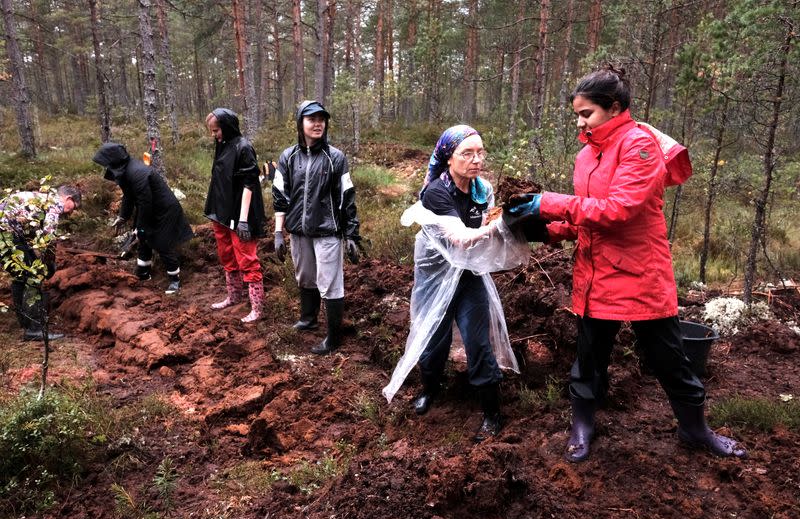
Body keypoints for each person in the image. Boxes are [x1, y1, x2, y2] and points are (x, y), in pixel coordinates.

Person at [503, 66, 746, 461]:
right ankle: (582, 427)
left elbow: (619, 210)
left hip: (639, 273)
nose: (580, 122)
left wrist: (547, 202)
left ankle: (695, 429)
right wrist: (546, 230)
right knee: (589, 358)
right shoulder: (586, 155)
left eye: (587, 114)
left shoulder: (640, 146)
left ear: (614, 107)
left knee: (668, 357)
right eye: (577, 116)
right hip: (595, 273)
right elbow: (589, 218)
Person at [382, 125, 529, 442]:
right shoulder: (437, 191)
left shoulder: (482, 190)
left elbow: (488, 227)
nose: (476, 160)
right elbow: (460, 239)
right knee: (434, 339)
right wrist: (504, 223)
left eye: (480, 152)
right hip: (434, 277)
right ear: (449, 157)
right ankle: (430, 389)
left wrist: (512, 221)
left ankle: (492, 414)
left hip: (468, 276)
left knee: (478, 342)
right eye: (467, 153)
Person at [272, 100, 361, 354]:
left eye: (321, 119)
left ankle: (333, 338)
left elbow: (347, 196)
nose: (317, 123)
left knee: (330, 282)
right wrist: (279, 232)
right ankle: (308, 319)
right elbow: (280, 194)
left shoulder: (335, 158)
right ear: (301, 123)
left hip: (327, 231)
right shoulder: (287, 157)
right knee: (305, 276)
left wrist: (351, 234)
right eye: (311, 119)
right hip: (298, 231)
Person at [93, 143, 194, 295]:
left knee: (161, 243)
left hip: (164, 210)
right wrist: (123, 217)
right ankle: (143, 273)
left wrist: (140, 228)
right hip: (150, 209)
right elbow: (129, 196)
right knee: (144, 239)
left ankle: (175, 280)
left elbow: (145, 203)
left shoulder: (137, 173)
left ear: (114, 160)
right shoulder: (126, 171)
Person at [205, 108, 268, 323]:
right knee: (227, 255)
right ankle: (234, 296)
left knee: (247, 258)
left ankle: (257, 308)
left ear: (227, 126)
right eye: (212, 131)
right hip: (221, 212)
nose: (214, 135)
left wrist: (242, 220)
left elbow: (249, 184)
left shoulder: (244, 147)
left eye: (216, 130)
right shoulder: (222, 145)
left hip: (241, 214)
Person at [0, 185, 81, 340]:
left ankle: (26, 322)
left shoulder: (40, 198)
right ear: (68, 198)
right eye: (73, 207)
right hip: (6, 233)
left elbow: (30, 234)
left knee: (20, 275)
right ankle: (34, 329)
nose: (71, 212)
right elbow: (48, 240)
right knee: (33, 276)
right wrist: (50, 264)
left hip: (7, 232)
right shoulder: (54, 204)